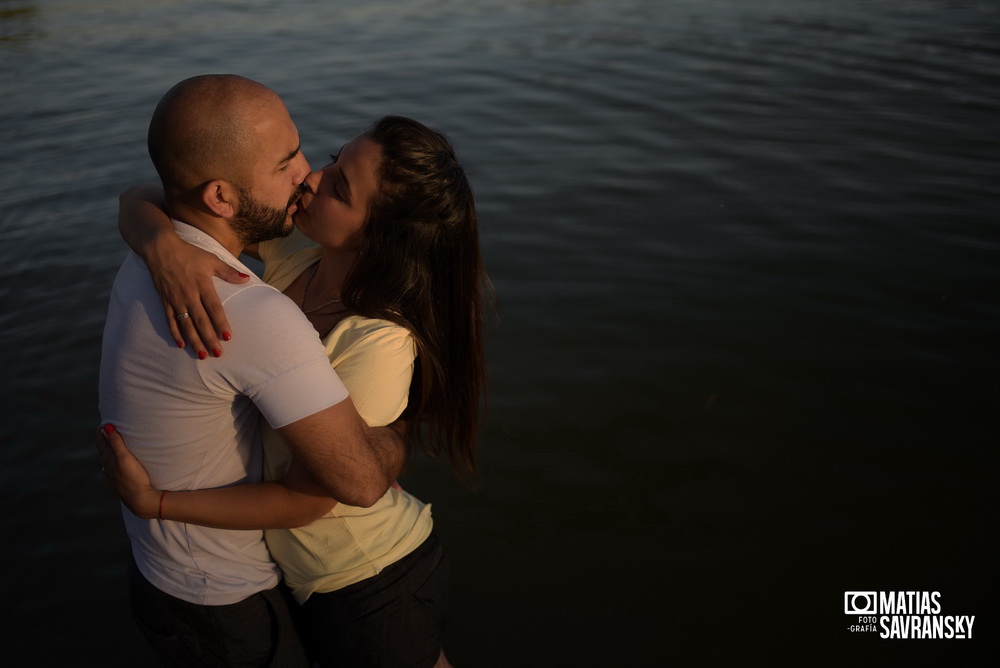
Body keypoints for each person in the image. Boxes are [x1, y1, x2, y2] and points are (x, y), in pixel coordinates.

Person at [99, 115, 491, 667]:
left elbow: (313, 498)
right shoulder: (295, 261)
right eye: (334, 159)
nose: (312, 178)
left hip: (370, 579)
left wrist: (157, 504)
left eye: (340, 188)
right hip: (313, 581)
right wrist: (164, 244)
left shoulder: (377, 341)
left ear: (376, 235)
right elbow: (141, 194)